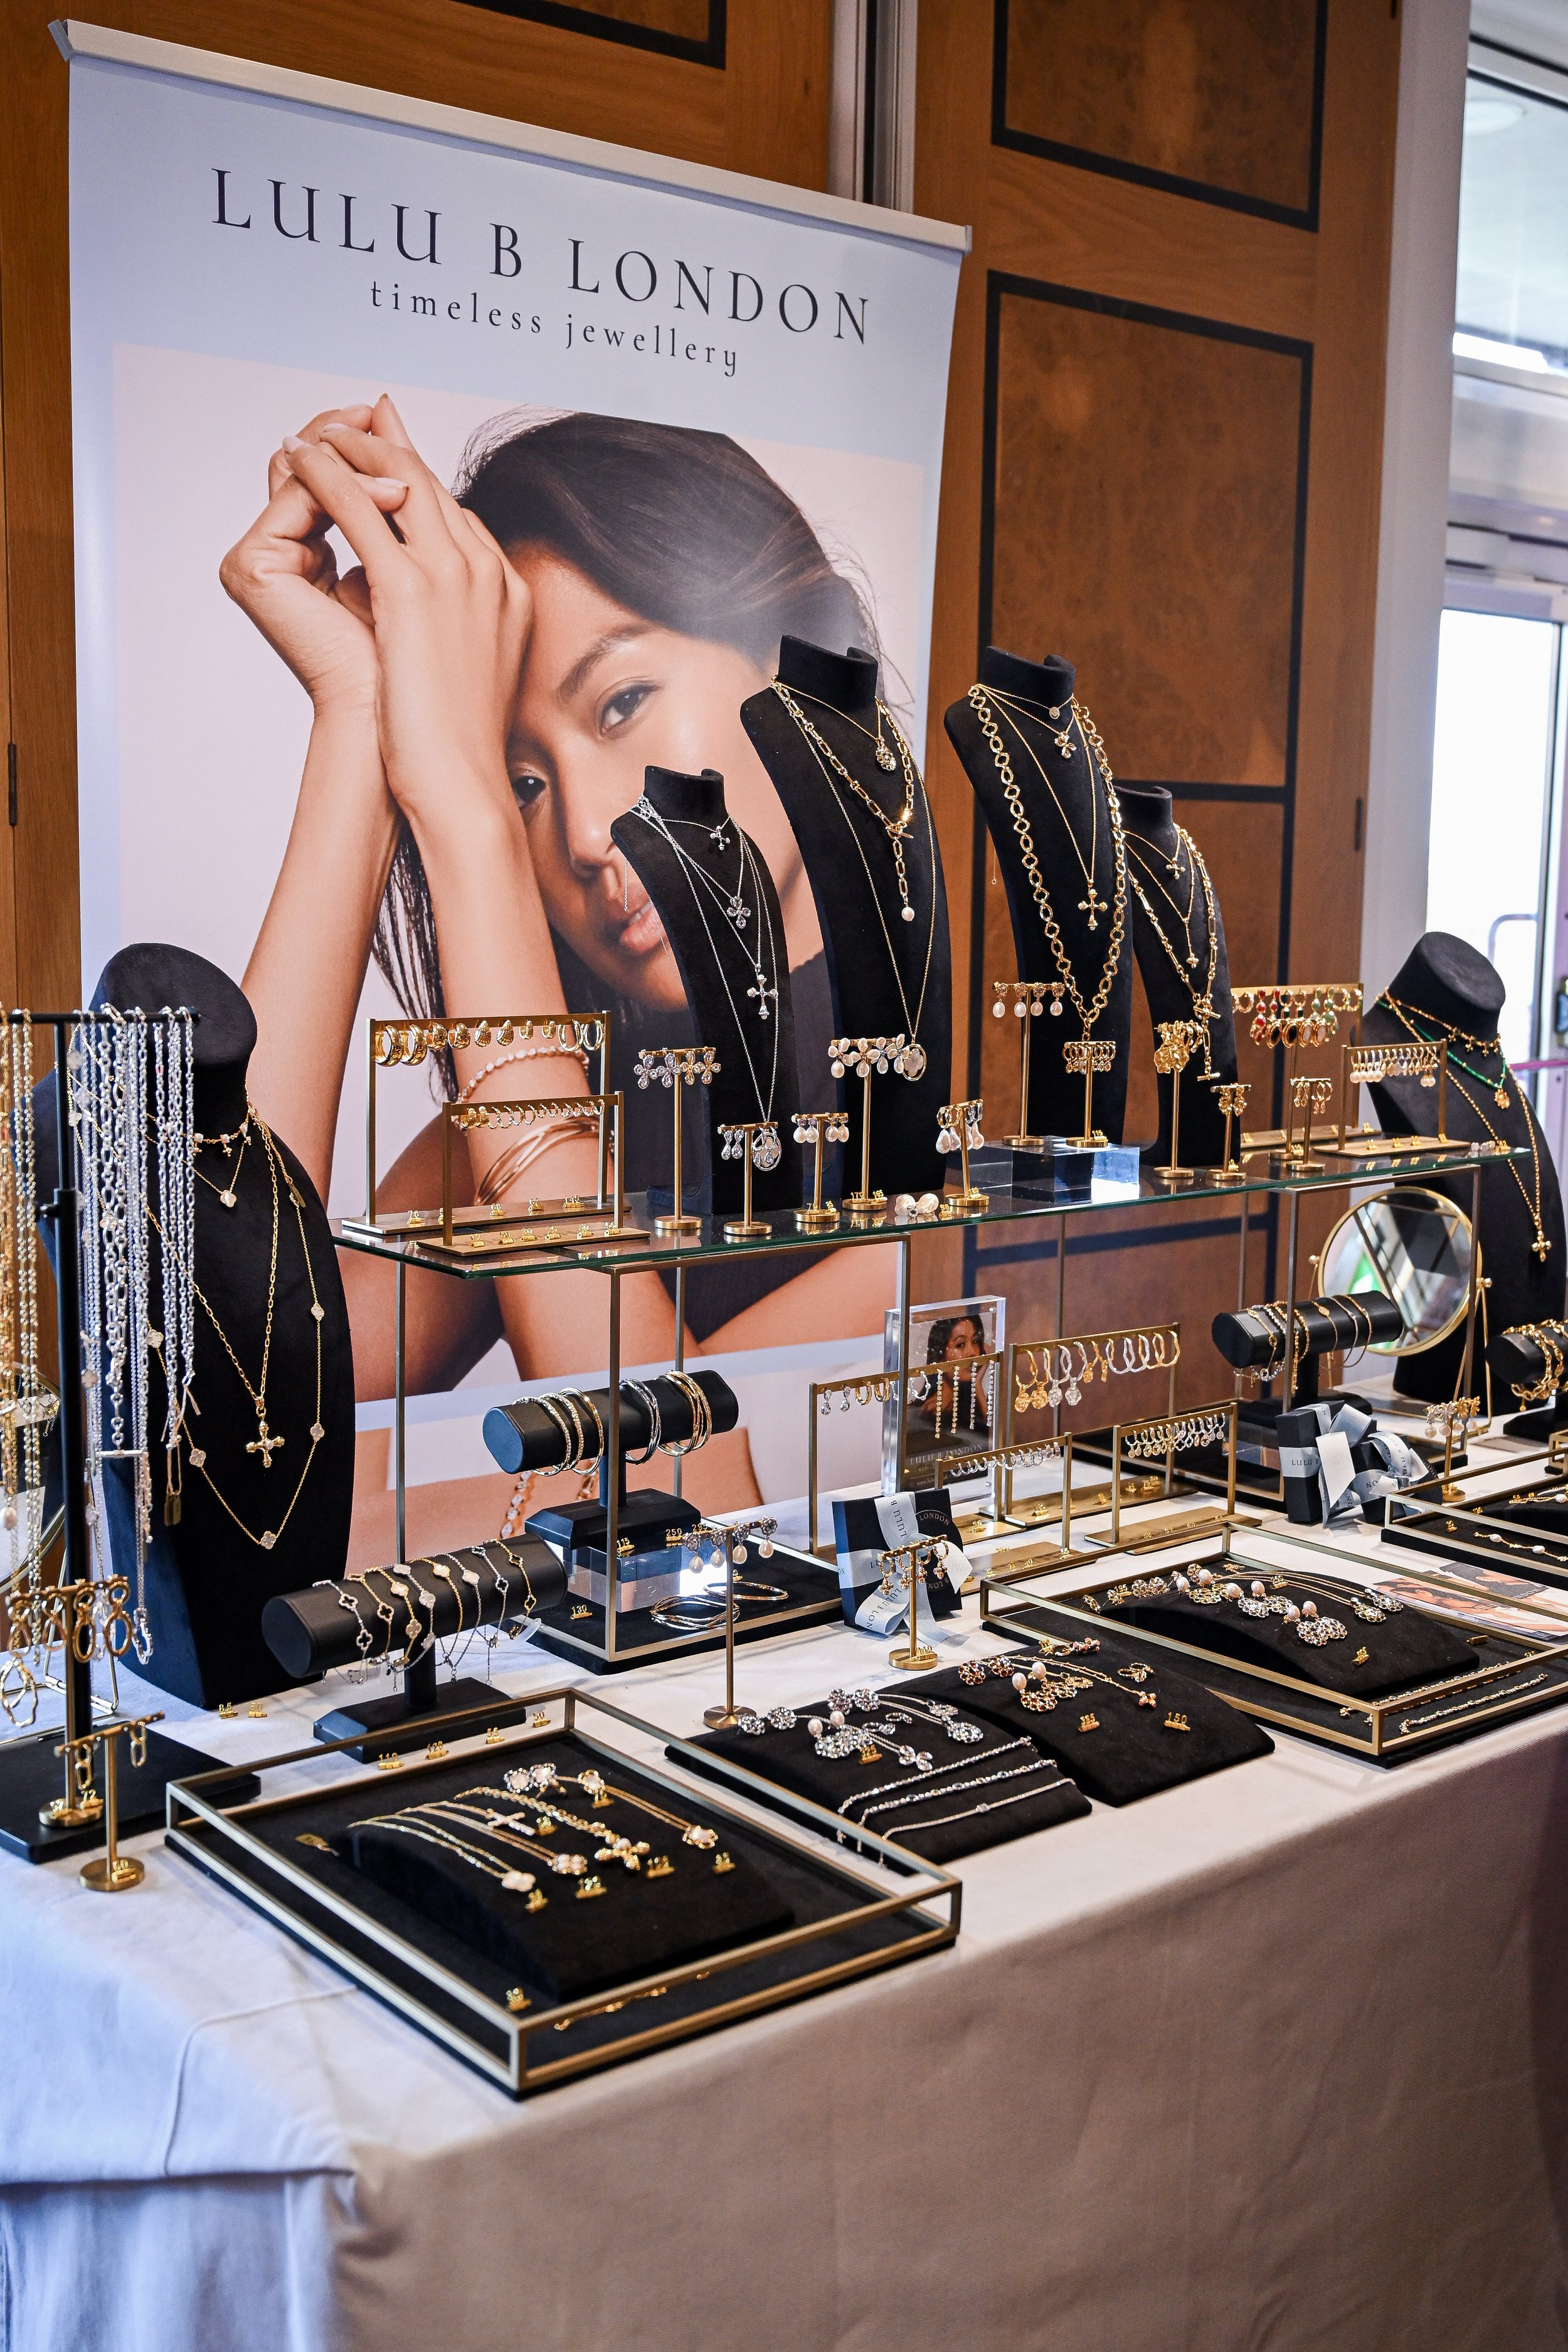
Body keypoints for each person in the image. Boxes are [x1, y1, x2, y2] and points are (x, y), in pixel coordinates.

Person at [220, 395, 899, 1428]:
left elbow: (659, 1482)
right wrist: (360, 712)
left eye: (620, 703)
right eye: (522, 782)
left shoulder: (940, 1118)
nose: (584, 835)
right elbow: (231, 1394)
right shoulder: (544, 1109)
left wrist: (470, 816)